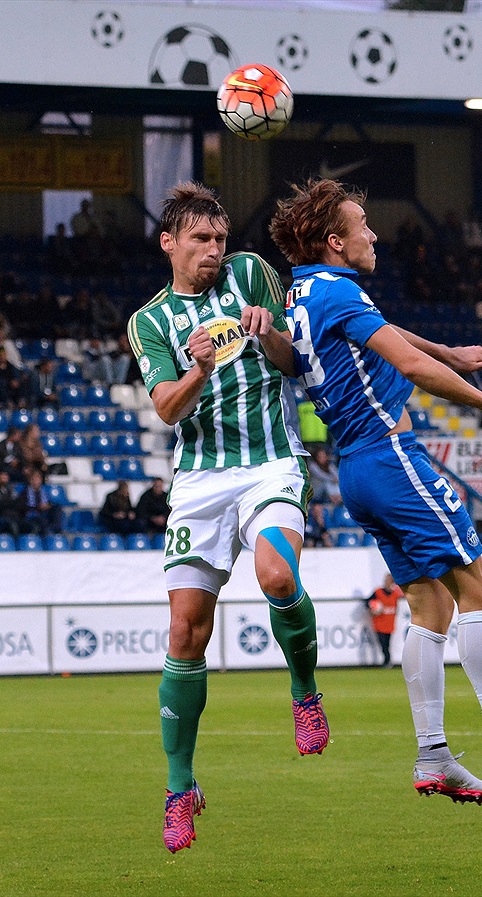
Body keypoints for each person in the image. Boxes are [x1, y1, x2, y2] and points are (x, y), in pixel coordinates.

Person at [270, 177, 482, 806]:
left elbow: (392, 341)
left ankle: (433, 755)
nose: (374, 235)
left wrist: (453, 354)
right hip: (391, 455)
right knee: (479, 582)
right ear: (337, 241)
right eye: (363, 226)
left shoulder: (305, 295)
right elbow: (407, 366)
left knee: (430, 607)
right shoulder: (340, 292)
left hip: (358, 471)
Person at [126, 181, 327, 854]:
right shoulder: (150, 321)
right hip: (202, 479)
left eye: (219, 237)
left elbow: (296, 363)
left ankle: (304, 689)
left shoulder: (250, 272)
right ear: (169, 243)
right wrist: (200, 371)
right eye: (201, 240)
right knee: (186, 630)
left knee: (277, 574)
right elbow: (167, 408)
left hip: (271, 459)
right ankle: (180, 787)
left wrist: (269, 336)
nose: (215, 250)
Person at [366, 573, 403, 667]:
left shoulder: (395, 594)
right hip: (379, 623)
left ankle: (387, 661)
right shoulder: (378, 592)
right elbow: (367, 602)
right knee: (382, 643)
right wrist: (372, 608)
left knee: (387, 644)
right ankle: (387, 660)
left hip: (389, 623)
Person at [14, 469, 62, 536]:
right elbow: (22, 507)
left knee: (57, 508)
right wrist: (38, 507)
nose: (36, 481)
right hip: (32, 516)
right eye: (34, 479)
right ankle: (48, 535)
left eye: (38, 479)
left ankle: (56, 530)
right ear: (30, 480)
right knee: (41, 520)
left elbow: (49, 502)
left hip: (44, 513)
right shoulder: (24, 493)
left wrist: (48, 505)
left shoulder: (44, 492)